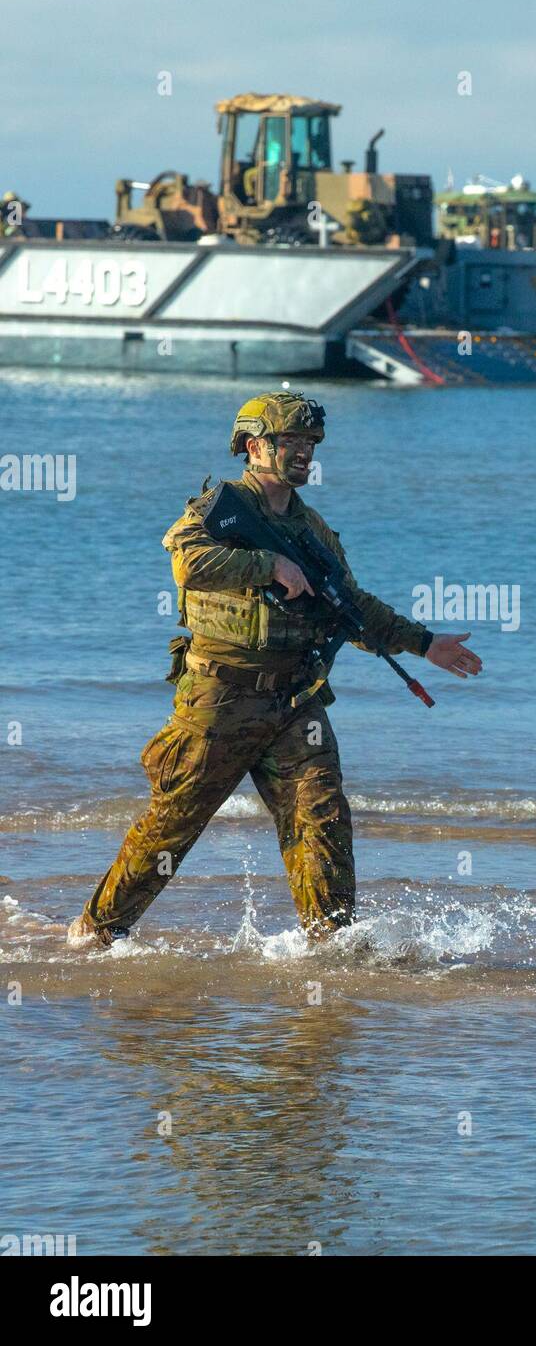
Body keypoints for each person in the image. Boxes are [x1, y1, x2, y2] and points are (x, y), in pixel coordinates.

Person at [67, 391, 482, 949]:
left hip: (295, 704)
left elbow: (352, 608)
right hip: (221, 698)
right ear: (254, 445)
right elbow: (188, 563)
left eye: (310, 443)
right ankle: (93, 934)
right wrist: (269, 564)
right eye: (292, 441)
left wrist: (425, 643)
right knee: (172, 829)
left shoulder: (315, 530)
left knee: (323, 821)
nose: (305, 453)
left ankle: (330, 948)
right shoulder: (220, 509)